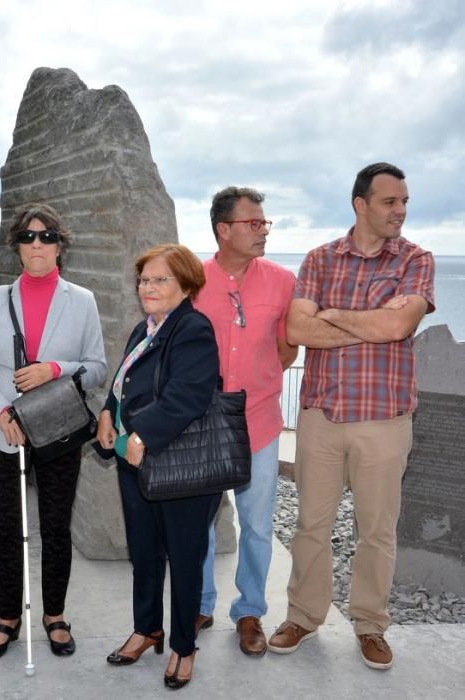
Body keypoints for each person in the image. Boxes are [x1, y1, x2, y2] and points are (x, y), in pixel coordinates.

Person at [269, 162, 435, 670]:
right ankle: (303, 615)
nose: (400, 211)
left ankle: (369, 625)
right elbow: (299, 330)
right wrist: (374, 322)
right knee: (311, 525)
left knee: (377, 530)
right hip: (321, 414)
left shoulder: (416, 259)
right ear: (360, 204)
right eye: (390, 202)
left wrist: (334, 315)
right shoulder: (319, 259)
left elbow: (400, 324)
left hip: (384, 418)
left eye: (405, 201)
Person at [0, 203, 107, 660]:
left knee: (55, 527)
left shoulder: (81, 300)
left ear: (60, 245)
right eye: (27, 237)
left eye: (46, 237)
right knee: (7, 529)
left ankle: (54, 615)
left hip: (59, 431)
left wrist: (53, 369)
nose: (37, 245)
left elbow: (98, 367)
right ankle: (8, 616)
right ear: (16, 247)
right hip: (5, 432)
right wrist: (2, 412)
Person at [98, 243, 221, 690]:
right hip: (137, 464)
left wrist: (142, 435)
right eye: (144, 280)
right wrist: (108, 412)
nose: (148, 287)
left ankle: (184, 647)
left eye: (160, 279)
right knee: (144, 555)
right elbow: (126, 381)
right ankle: (147, 628)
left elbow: (187, 395)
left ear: (186, 284)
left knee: (186, 560)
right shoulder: (145, 328)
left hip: (181, 467)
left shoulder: (192, 328)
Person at [193, 187, 297, 655]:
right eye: (253, 224)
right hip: (203, 424)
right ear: (223, 230)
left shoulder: (281, 281)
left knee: (257, 524)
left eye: (265, 224)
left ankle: (250, 611)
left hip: (259, 421)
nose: (263, 232)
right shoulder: (190, 278)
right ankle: (197, 604)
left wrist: (260, 378)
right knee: (199, 522)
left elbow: (287, 344)